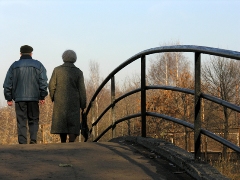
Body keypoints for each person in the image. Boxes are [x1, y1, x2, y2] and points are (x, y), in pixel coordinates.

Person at [3, 45, 48, 144]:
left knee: (21, 121)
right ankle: (33, 140)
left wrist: (9, 98)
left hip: (19, 98)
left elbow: (7, 84)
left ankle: (22, 143)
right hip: (34, 98)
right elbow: (43, 82)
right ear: (31, 53)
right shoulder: (38, 65)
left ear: (20, 53)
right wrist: (42, 95)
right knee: (34, 119)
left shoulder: (14, 66)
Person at [49, 50, 86, 143]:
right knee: (73, 122)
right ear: (75, 59)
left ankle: (63, 142)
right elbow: (82, 89)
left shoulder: (57, 70)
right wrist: (83, 104)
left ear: (63, 57)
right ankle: (72, 142)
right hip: (74, 100)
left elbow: (51, 85)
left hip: (60, 100)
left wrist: (53, 97)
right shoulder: (78, 72)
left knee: (61, 121)